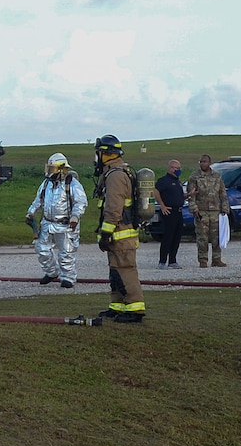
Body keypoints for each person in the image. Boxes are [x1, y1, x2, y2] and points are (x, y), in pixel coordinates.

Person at [91, 135, 144, 322]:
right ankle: (118, 306)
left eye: (99, 153)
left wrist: (106, 232)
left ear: (106, 154)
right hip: (119, 233)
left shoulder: (116, 176)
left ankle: (135, 309)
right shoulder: (116, 172)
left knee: (125, 269)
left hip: (120, 233)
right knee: (116, 270)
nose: (96, 157)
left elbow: (113, 208)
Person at [26, 151, 87, 288]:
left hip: (66, 225)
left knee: (66, 253)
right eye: (48, 168)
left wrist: (75, 217)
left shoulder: (72, 184)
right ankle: (51, 272)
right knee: (41, 249)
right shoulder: (46, 184)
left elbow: (80, 202)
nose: (49, 171)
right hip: (47, 223)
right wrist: (31, 212)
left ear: (61, 169)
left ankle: (68, 278)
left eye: (52, 168)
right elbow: (38, 200)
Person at [188, 154, 229, 268]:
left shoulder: (217, 176)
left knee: (216, 237)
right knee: (202, 237)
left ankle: (217, 259)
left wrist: (225, 208)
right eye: (201, 162)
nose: (202, 164)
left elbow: (222, 193)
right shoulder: (195, 177)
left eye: (205, 162)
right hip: (202, 211)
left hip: (216, 211)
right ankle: (203, 260)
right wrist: (194, 209)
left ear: (209, 163)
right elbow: (191, 196)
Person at [154, 158, 186, 267]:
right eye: (176, 168)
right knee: (168, 237)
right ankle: (162, 261)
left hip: (179, 212)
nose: (178, 170)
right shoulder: (164, 181)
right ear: (171, 168)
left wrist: (189, 195)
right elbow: (156, 191)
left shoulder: (178, 181)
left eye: (179, 168)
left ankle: (172, 261)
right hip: (169, 212)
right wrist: (162, 206)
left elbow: (179, 196)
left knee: (177, 237)